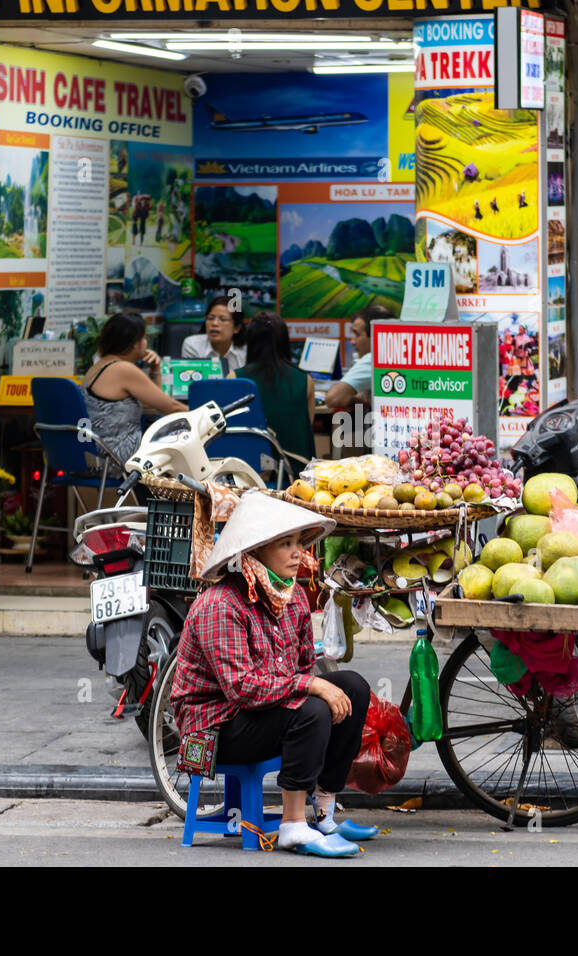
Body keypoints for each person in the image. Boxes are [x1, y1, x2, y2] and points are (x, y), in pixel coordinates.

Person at [169, 490, 377, 857]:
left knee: (352, 688)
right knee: (310, 708)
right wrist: (309, 686)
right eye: (285, 544)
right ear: (255, 551)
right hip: (213, 729)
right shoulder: (221, 605)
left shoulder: (291, 595)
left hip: (257, 710)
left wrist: (311, 683)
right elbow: (242, 688)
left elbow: (299, 666)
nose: (298, 552)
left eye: (298, 542)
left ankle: (323, 809)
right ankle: (293, 826)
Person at [82, 310, 186, 473]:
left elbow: (152, 402)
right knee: (181, 446)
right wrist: (206, 416)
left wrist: (155, 369)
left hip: (95, 456)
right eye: (144, 338)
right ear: (134, 343)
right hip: (116, 457)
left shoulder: (100, 365)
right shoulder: (123, 369)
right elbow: (170, 406)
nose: (146, 342)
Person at [232, 312, 315, 467]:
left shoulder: (236, 378)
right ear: (284, 341)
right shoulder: (305, 380)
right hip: (295, 477)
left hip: (248, 475)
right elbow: (306, 427)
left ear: (250, 342)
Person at [324, 304, 392, 408]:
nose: (352, 341)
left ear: (375, 336)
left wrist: (356, 399)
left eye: (357, 334)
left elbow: (334, 399)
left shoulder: (373, 359)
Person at [182, 294, 248, 374]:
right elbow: (191, 380)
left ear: (236, 328)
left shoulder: (246, 350)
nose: (214, 323)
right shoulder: (193, 345)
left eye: (222, 319)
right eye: (210, 318)